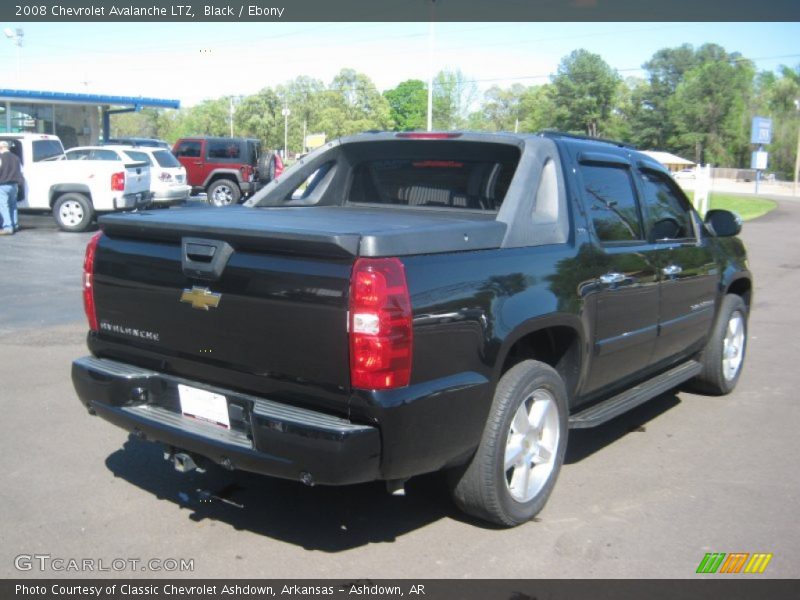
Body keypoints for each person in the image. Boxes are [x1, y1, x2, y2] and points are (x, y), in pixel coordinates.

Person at [0, 140, 24, 236]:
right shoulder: (16, 158)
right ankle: (15, 225)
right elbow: (21, 172)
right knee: (13, 206)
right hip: (14, 185)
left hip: (3, 185)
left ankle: (7, 227)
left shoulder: (1, 158)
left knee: (3, 206)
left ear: (1, 148)